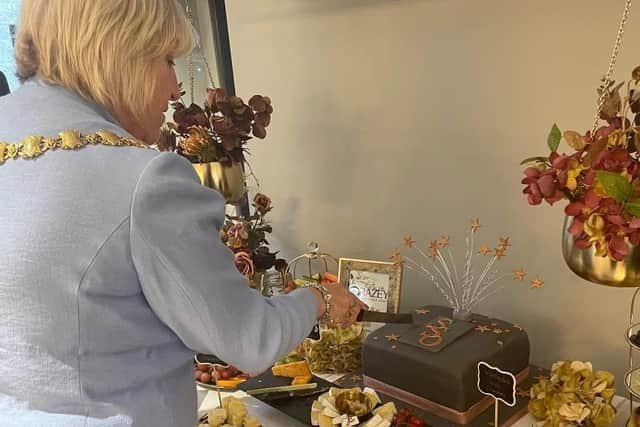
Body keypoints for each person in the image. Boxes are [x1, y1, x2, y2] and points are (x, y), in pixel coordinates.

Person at [0, 1, 367, 426]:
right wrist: (318, 299)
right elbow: (250, 339)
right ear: (122, 52)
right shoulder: (144, 179)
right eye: (168, 60)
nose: (176, 88)